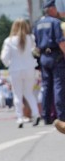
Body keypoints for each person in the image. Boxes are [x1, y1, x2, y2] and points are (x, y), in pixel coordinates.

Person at [1, 18, 41, 128]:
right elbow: (35, 51)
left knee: (17, 94)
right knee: (29, 93)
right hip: (29, 68)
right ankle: (36, 113)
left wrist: (8, 64)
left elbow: (4, 57)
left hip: (15, 69)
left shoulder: (8, 41)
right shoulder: (31, 38)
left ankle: (19, 118)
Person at [34, 0, 65, 133]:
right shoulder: (55, 23)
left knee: (46, 87)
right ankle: (61, 115)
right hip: (55, 56)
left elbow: (36, 44)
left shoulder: (37, 25)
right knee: (58, 85)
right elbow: (60, 42)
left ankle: (46, 116)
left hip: (43, 57)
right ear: (51, 9)